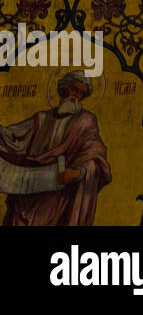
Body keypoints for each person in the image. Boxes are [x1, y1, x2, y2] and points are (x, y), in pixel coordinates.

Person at [0, 71, 111, 225]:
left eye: (81, 93)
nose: (76, 95)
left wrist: (79, 172)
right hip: (26, 189)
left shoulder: (86, 122)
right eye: (74, 89)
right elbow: (11, 137)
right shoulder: (42, 118)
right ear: (65, 88)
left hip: (57, 194)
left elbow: (95, 157)